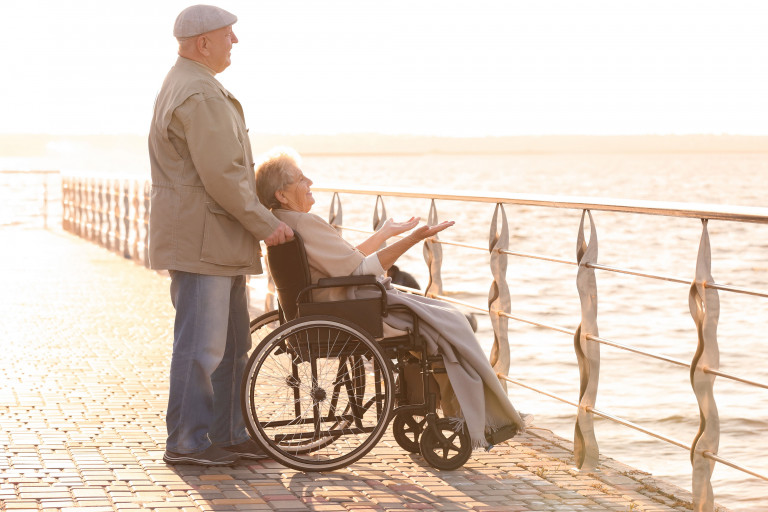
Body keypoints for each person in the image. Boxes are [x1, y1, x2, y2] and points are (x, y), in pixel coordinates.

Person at [254, 149, 526, 450]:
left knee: (445, 318)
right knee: (452, 321)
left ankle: (461, 409)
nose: (310, 182)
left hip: (325, 306)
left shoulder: (284, 222)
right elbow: (360, 269)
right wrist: (413, 239)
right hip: (349, 311)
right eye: (301, 179)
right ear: (282, 195)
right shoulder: (305, 223)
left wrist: (385, 233)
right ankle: (483, 415)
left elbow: (347, 261)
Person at [148, 5, 293, 467]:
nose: (236, 41)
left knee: (231, 345)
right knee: (201, 347)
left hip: (215, 240)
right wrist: (267, 223)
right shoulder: (199, 93)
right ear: (203, 42)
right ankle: (187, 443)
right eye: (229, 34)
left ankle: (227, 435)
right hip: (204, 241)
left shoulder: (191, 84)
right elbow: (224, 176)